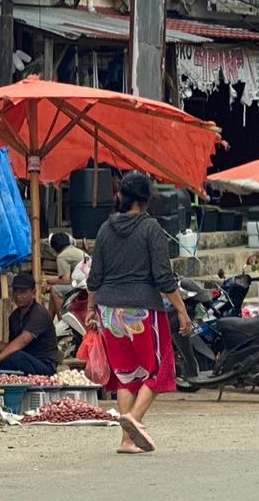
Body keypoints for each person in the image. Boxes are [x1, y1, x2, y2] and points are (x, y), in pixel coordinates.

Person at [85, 172, 191, 455]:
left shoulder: (105, 229)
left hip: (108, 311)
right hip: (141, 310)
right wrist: (181, 310)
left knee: (126, 374)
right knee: (159, 369)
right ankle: (134, 419)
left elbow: (94, 276)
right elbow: (164, 277)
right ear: (147, 199)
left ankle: (126, 441)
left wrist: (91, 308)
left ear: (121, 195)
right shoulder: (150, 228)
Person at [0, 272, 58, 375]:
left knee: (16, 357)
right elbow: (10, 347)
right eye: (15, 292)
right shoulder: (14, 317)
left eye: (23, 292)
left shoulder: (39, 314)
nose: (18, 296)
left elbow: (23, 340)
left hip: (43, 365)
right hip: (20, 360)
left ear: (33, 293)